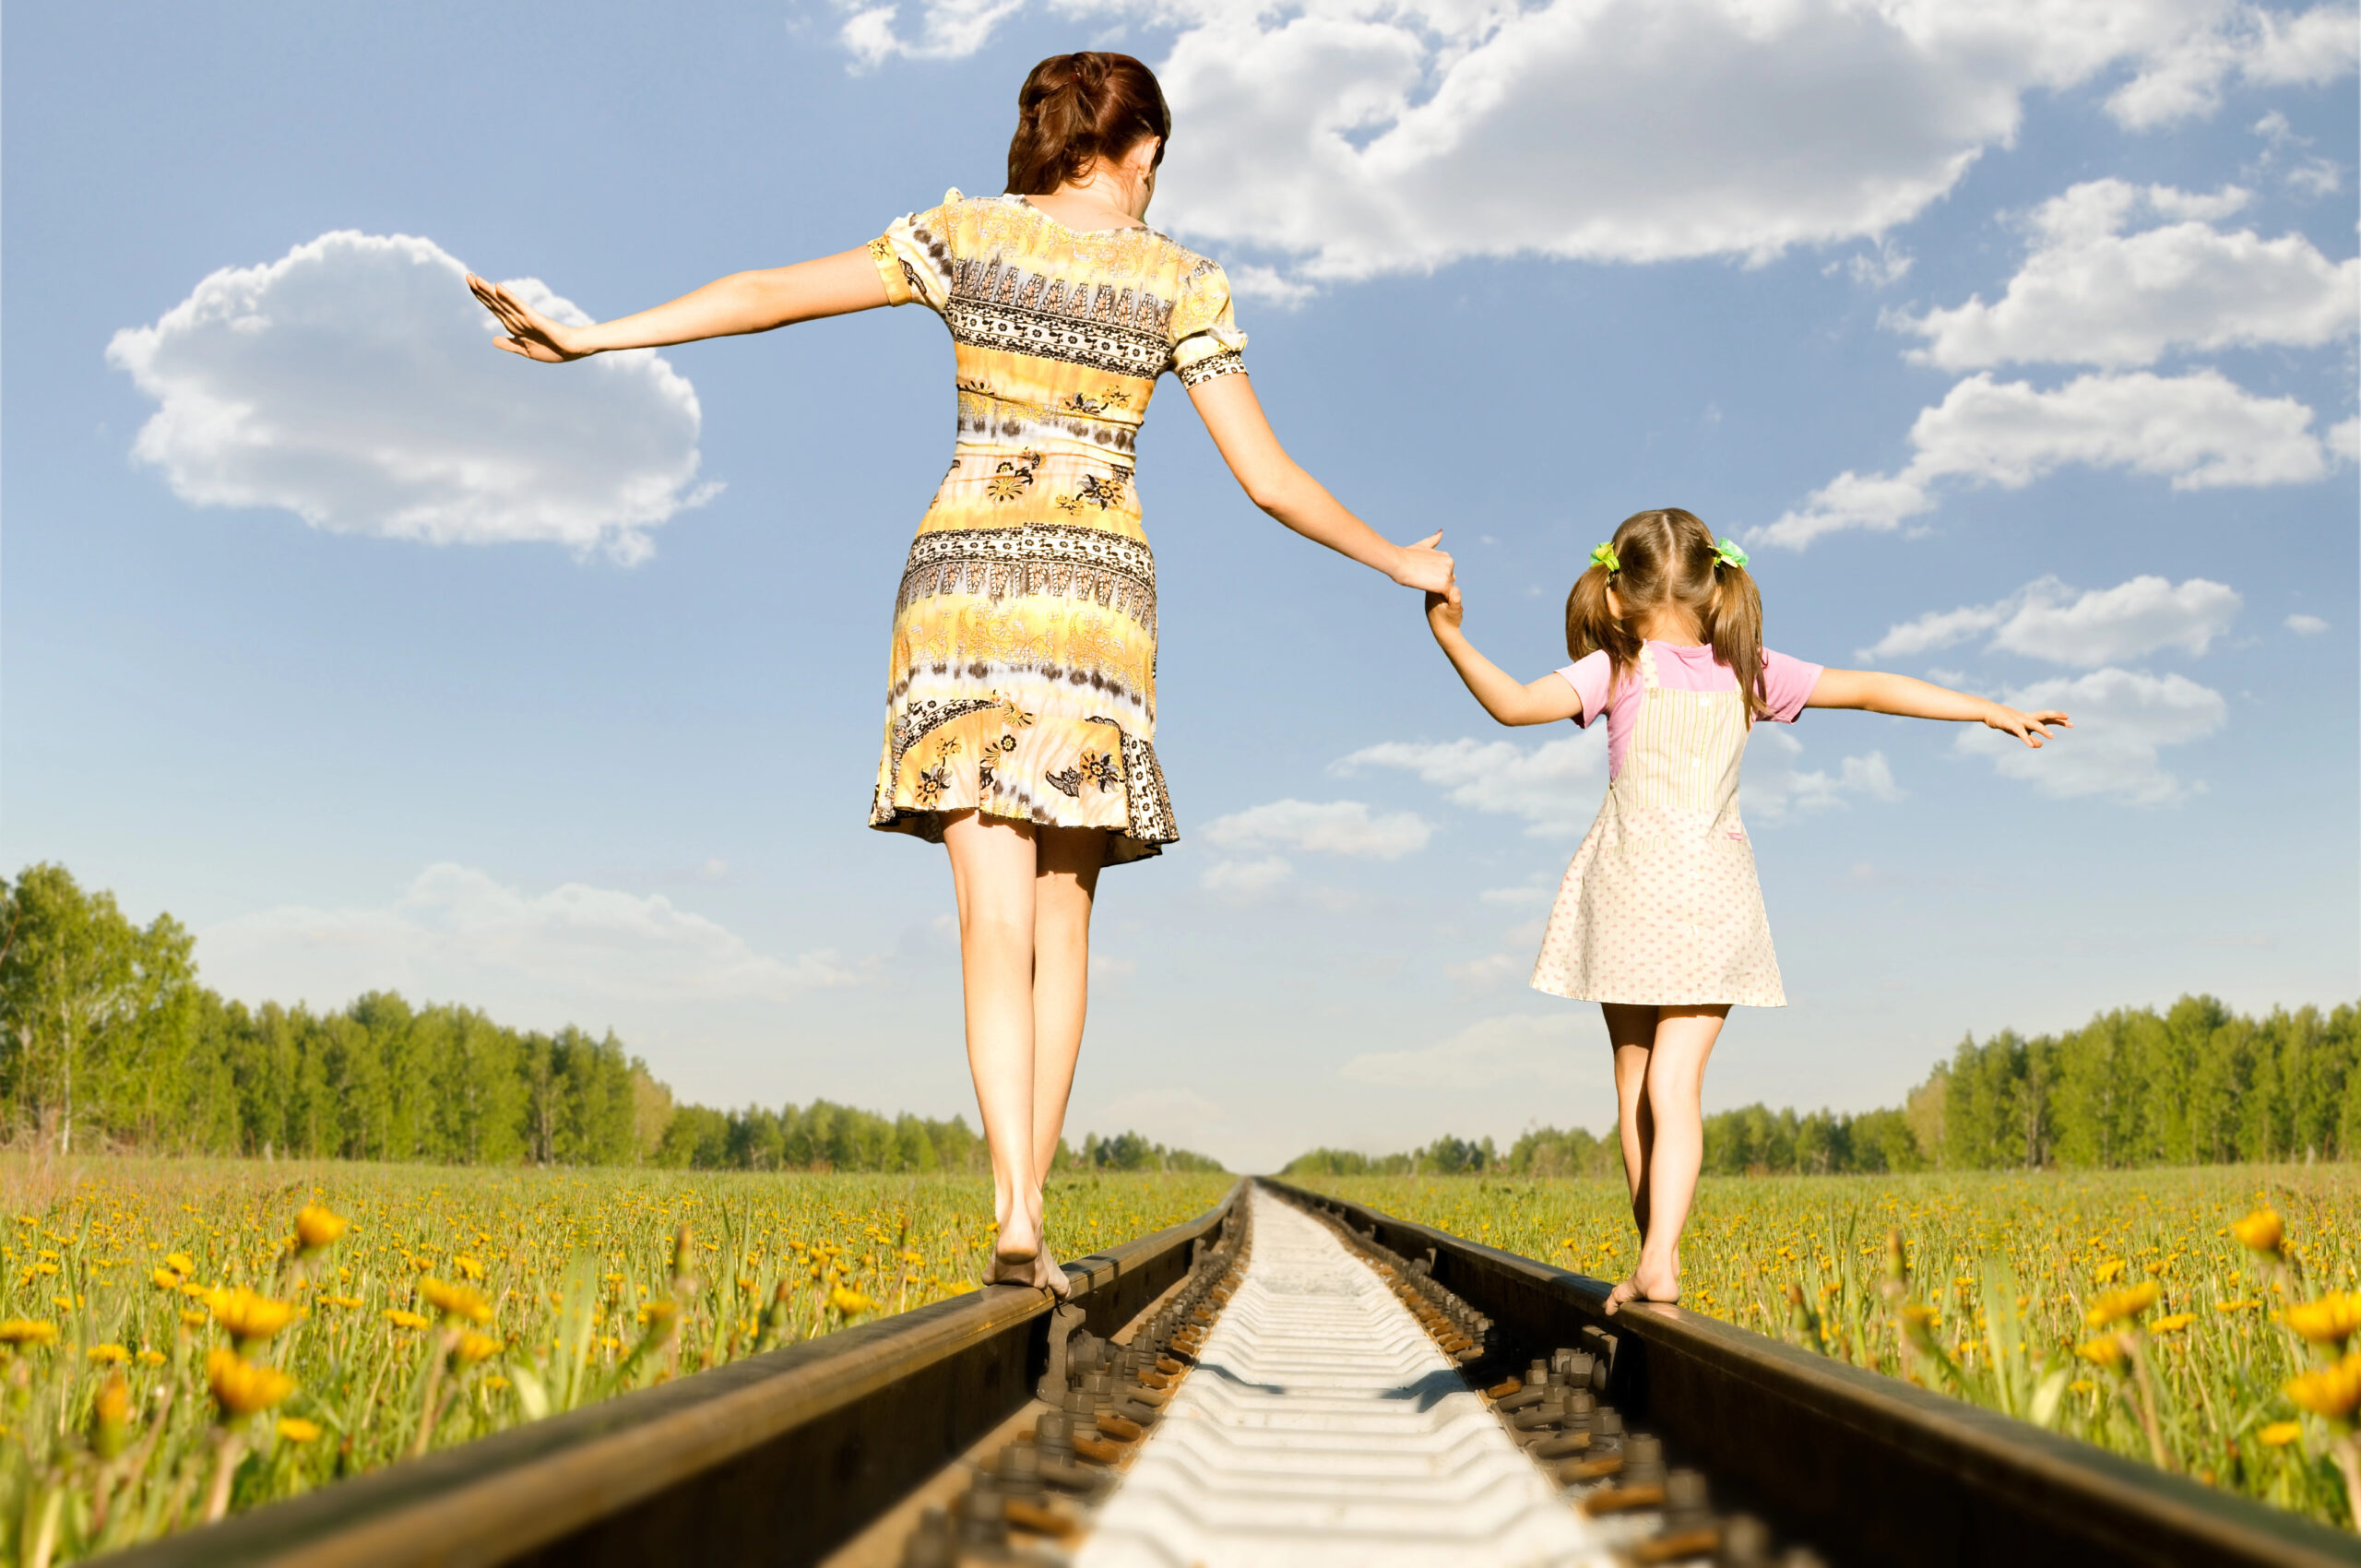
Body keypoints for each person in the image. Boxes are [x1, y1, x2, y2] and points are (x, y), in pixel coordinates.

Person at [465, 52, 1454, 1295]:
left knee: (988, 922)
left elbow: (773, 293)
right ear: (1139, 149)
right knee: (1062, 924)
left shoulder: (966, 236)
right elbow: (1268, 479)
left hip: (963, 591)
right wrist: (1395, 562)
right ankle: (1028, 1210)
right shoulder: (1181, 281)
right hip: (1094, 607)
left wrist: (600, 333)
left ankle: (1016, 1209)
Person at [1421, 507, 2067, 1313]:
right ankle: (1660, 1256)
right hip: (1710, 893)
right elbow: (1870, 689)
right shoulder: (1747, 670)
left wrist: (1448, 631)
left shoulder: (1614, 669)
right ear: (1713, 585)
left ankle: (1655, 1253)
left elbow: (1512, 704)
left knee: (1634, 1082)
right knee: (1676, 1082)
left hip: (1626, 886)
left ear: (1616, 598)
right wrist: (1984, 707)